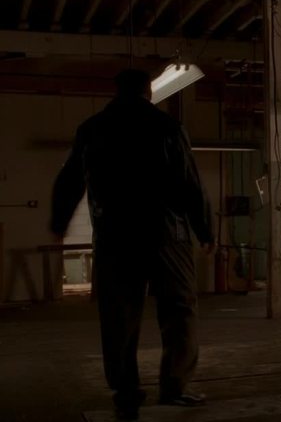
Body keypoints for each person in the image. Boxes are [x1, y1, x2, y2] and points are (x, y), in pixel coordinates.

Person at [50, 69, 214, 421]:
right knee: (179, 310)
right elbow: (190, 182)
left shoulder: (92, 129)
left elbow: (69, 180)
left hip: (115, 235)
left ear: (117, 90)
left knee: (119, 316)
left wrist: (59, 222)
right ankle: (176, 386)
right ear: (148, 91)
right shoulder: (167, 127)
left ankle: (126, 391)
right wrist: (205, 230)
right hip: (166, 233)